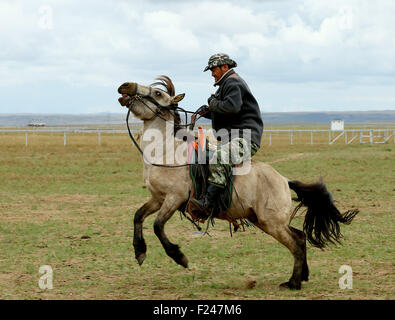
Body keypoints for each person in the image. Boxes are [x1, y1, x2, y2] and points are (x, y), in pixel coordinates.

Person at [190, 53, 264, 215]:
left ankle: (208, 203)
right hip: (234, 137)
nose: (212, 73)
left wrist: (213, 103)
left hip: (246, 139)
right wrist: (209, 112)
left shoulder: (233, 83)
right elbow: (228, 111)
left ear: (225, 67)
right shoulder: (227, 84)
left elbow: (231, 107)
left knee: (219, 157)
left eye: (214, 69)